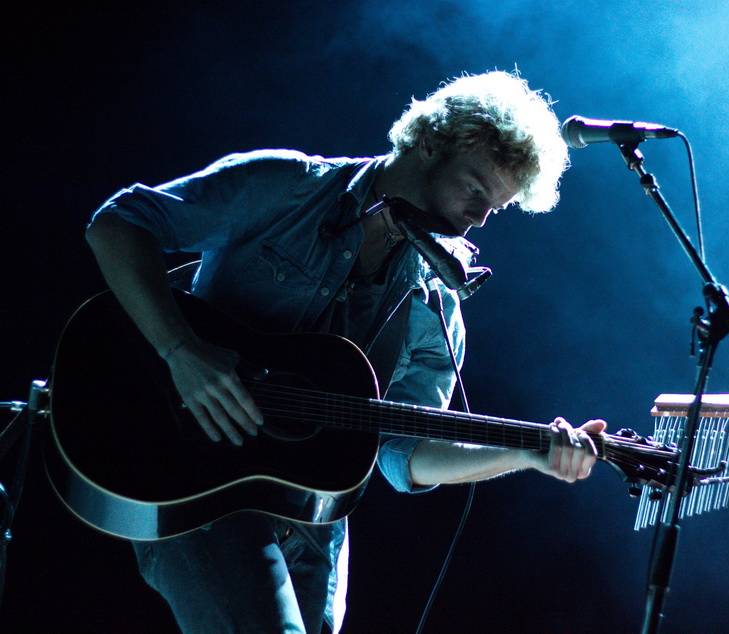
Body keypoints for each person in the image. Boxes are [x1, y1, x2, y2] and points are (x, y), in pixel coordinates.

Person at [85, 70, 607, 633]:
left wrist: (527, 453)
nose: (479, 217)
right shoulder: (287, 186)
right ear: (431, 142)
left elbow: (405, 453)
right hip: (194, 481)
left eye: (495, 208)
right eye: (476, 189)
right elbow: (118, 224)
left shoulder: (436, 302)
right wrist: (181, 350)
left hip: (313, 523)